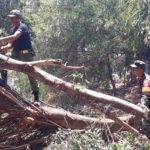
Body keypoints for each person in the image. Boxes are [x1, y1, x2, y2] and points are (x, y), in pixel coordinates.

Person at [0, 9, 40, 106]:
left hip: (26, 55)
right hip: (16, 54)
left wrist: (0, 39)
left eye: (13, 18)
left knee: (32, 75)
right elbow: (11, 45)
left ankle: (36, 98)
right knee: (3, 62)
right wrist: (2, 48)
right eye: (10, 18)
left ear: (18, 17)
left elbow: (14, 37)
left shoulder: (23, 27)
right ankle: (3, 83)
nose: (11, 20)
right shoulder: (12, 29)